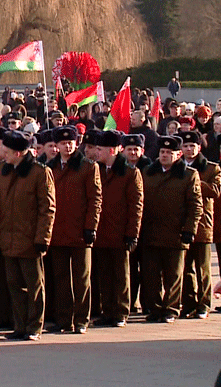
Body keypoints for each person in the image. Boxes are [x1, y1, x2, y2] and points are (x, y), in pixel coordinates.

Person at [0, 130, 56, 341]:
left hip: (30, 239)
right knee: (14, 285)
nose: (2, 154)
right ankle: (19, 325)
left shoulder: (39, 172)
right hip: (8, 238)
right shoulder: (5, 171)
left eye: (7, 151)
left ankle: (34, 326)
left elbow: (47, 209)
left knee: (34, 285)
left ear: (18, 153)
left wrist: (42, 239)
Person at [45, 126, 102, 334]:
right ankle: (63, 319)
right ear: (56, 146)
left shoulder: (88, 167)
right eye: (62, 143)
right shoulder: (50, 167)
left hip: (80, 231)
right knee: (61, 278)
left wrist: (91, 227)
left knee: (82, 278)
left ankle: (81, 320)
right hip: (58, 231)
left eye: (71, 142)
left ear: (76, 143)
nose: (67, 146)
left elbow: (95, 199)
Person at [140, 136, 202, 323]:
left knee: (174, 276)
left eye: (169, 153)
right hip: (150, 232)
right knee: (150, 275)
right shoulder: (147, 173)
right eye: (162, 152)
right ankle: (155, 308)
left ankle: (171, 309)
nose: (165, 155)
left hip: (176, 233)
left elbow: (195, 206)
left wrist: (190, 230)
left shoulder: (189, 175)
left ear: (178, 154)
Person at [92, 130, 143, 328]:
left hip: (120, 232)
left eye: (100, 149)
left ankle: (121, 311)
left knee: (121, 274)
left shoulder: (130, 173)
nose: (97, 152)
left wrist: (133, 233)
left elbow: (136, 205)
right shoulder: (96, 170)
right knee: (104, 274)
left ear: (112, 150)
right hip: (102, 231)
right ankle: (108, 311)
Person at [177, 131, 220, 319]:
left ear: (199, 148)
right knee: (185, 269)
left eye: (192, 146)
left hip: (203, 223)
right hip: (181, 223)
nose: (188, 149)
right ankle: (188, 304)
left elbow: (215, 191)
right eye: (185, 146)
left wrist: (194, 181)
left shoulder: (212, 169)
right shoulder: (176, 168)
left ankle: (204, 305)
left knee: (203, 269)